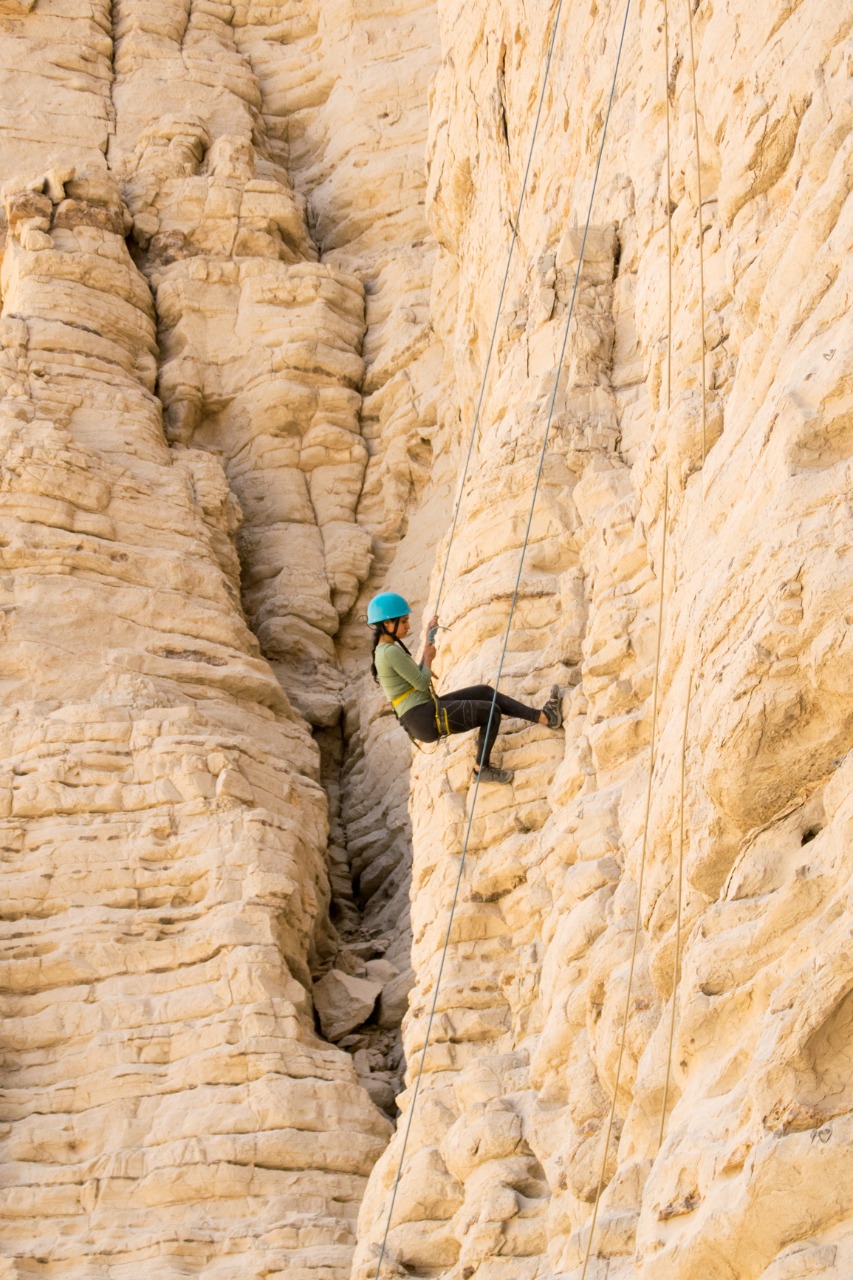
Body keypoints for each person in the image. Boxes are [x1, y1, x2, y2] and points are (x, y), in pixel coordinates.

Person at [367, 592, 563, 784]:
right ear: (387, 624)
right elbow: (420, 682)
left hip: (422, 712)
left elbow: (414, 677)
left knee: (485, 692)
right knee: (490, 712)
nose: (407, 626)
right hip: (422, 717)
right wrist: (428, 659)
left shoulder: (387, 650)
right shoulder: (389, 652)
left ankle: (543, 716)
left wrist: (428, 641)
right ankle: (481, 769)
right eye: (403, 622)